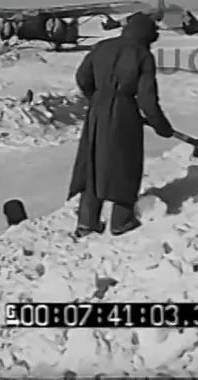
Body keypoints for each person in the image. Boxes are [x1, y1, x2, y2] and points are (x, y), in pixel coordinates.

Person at [67, 13, 174, 238]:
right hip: (124, 114)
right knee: (124, 166)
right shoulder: (142, 55)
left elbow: (82, 77)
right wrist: (161, 125)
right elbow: (147, 99)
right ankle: (121, 220)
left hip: (96, 112)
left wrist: (97, 98)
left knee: (94, 163)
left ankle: (87, 222)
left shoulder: (101, 47)